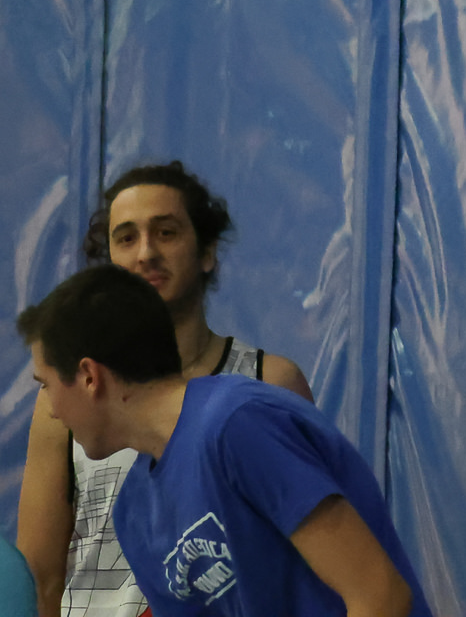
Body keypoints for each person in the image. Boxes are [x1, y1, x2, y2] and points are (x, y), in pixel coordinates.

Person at [16, 265, 424, 617]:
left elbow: (380, 595)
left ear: (90, 377)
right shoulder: (134, 513)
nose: (52, 409)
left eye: (46, 385)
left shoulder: (238, 424)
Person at [16, 163, 311, 615]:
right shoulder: (66, 397)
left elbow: (310, 564)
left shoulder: (268, 382)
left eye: (166, 232)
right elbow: (40, 578)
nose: (146, 253)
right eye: (125, 238)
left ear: (207, 251)